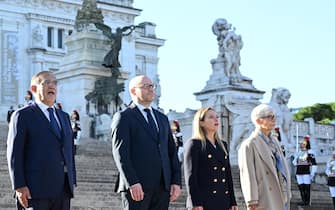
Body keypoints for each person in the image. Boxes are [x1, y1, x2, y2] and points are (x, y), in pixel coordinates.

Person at [7, 70, 76, 210]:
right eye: (47, 82)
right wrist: (19, 186)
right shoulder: (23, 116)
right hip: (34, 191)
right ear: (34, 89)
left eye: (55, 83)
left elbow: (68, 150)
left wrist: (71, 180)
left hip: (62, 190)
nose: (52, 86)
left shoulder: (64, 117)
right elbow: (14, 154)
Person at [111, 75, 181, 210]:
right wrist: (132, 182)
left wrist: (175, 181)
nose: (151, 89)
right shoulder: (124, 117)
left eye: (152, 86)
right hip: (138, 187)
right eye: (145, 86)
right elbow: (121, 154)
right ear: (133, 91)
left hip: (162, 187)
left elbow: (171, 153)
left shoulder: (162, 118)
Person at [238, 104, 291, 210]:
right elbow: (248, 174)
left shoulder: (276, 141)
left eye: (274, 116)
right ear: (258, 121)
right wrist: (251, 199)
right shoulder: (249, 144)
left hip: (282, 195)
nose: (274, 119)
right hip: (264, 197)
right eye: (270, 117)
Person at [184, 107, 238, 210]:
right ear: (201, 123)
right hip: (204, 201)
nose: (216, 120)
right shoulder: (194, 144)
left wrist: (233, 201)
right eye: (211, 117)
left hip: (223, 200)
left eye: (217, 117)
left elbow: (228, 175)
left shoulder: (223, 145)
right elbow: (191, 177)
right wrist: (195, 203)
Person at [292, 135, 317, 206]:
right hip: (299, 171)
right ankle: (303, 200)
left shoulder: (310, 152)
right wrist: (295, 157)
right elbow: (294, 163)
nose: (301, 145)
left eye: (303, 144)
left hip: (306, 172)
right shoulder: (299, 152)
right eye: (301, 144)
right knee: (301, 187)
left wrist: (312, 173)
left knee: (306, 187)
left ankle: (307, 201)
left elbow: (314, 164)